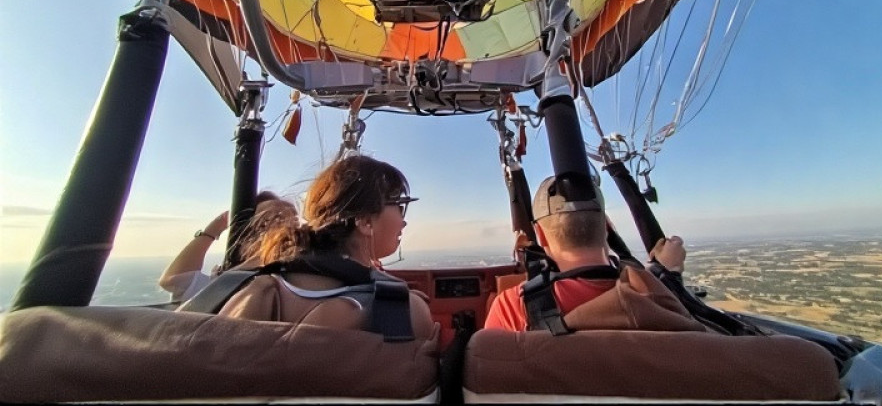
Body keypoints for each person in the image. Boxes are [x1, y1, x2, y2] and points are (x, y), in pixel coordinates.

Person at [217, 155, 436, 339]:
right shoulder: (405, 310)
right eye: (399, 206)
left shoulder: (238, 290)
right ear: (365, 222)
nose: (403, 221)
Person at [484, 175, 686, 331]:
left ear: (541, 236)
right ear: (607, 227)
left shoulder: (513, 307)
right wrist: (670, 273)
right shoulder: (658, 296)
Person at [158, 191, 297, 302]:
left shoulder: (292, 281)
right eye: (262, 224)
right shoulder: (224, 283)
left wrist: (214, 229)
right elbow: (173, 279)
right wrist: (215, 227)